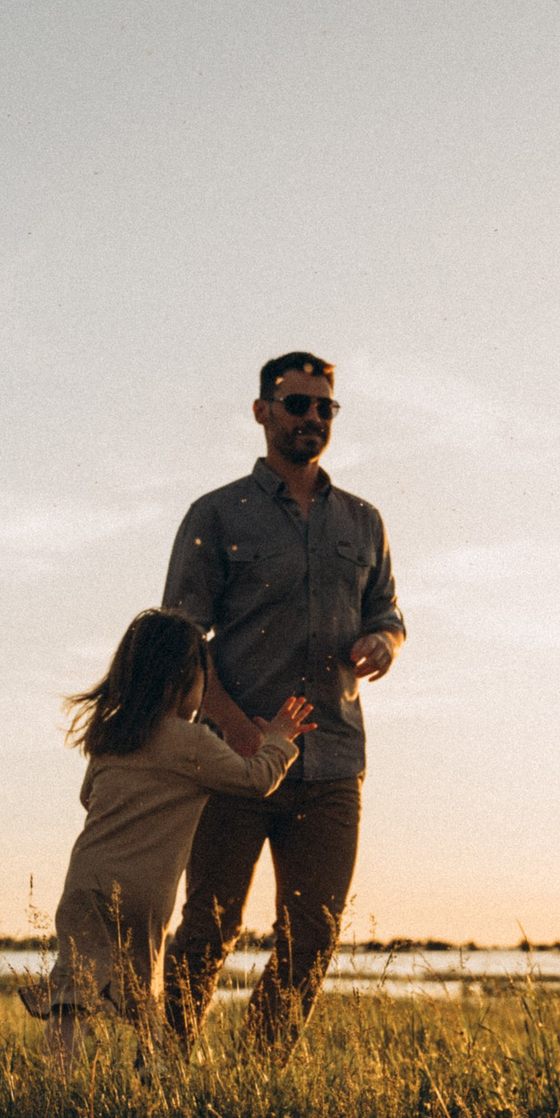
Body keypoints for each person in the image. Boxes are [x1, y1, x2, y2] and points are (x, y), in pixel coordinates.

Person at [159, 351, 407, 1059]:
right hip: (232, 762)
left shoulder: (363, 522)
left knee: (315, 934)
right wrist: (239, 732)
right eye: (297, 405)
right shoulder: (216, 514)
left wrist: (385, 642)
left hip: (332, 763)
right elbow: (181, 637)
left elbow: (388, 611)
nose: (312, 419)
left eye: (324, 407)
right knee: (208, 927)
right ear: (263, 412)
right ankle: (170, 1070)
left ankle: (255, 1077)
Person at [22, 608, 315, 1065]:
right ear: (184, 681)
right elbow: (256, 780)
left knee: (71, 993)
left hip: (85, 883)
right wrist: (278, 739)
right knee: (144, 997)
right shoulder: (194, 743)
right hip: (144, 893)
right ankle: (157, 1082)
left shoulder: (111, 735)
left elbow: (88, 798)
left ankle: (59, 1088)